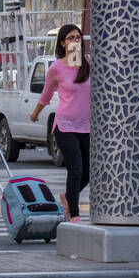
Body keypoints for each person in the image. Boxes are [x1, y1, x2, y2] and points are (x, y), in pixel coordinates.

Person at [31, 23, 90, 221]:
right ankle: (73, 213)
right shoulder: (56, 68)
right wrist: (35, 113)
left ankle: (68, 196)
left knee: (88, 171)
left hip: (88, 126)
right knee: (76, 168)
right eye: (71, 38)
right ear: (63, 44)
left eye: (78, 37)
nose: (75, 41)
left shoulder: (89, 64)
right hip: (65, 126)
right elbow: (46, 95)